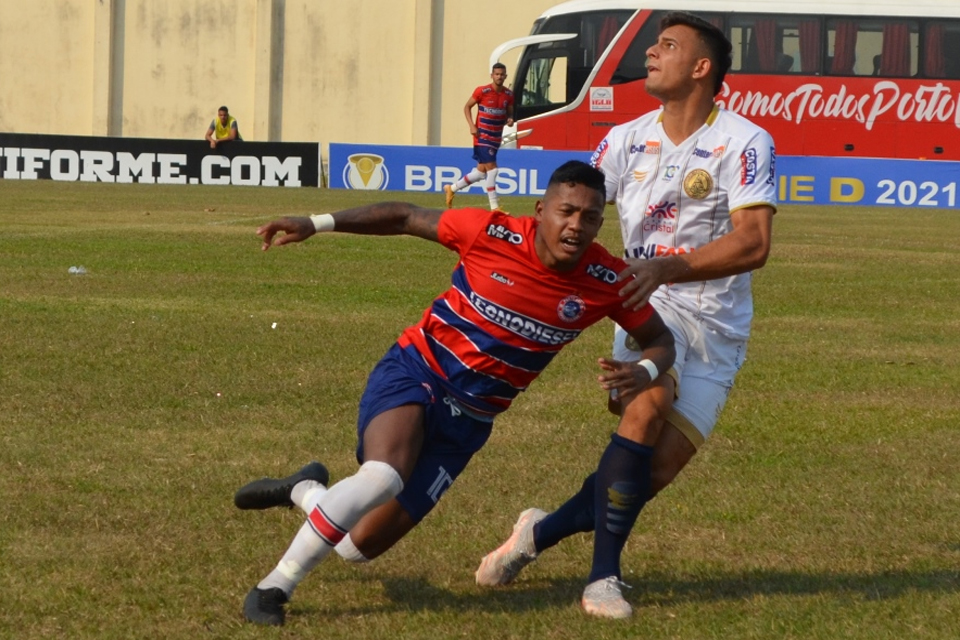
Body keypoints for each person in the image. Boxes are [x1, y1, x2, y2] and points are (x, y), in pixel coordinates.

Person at [235, 161, 676, 626]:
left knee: (353, 547)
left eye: (589, 217)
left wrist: (644, 370)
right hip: (417, 372)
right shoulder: (491, 232)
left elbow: (661, 341)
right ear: (541, 209)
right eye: (566, 211)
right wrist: (316, 223)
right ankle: (273, 588)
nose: (576, 226)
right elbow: (404, 216)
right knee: (383, 476)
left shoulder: (607, 281)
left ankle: (304, 489)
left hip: (469, 422)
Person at [475, 11, 777, 619]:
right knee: (647, 402)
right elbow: (573, 210)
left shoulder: (746, 142)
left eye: (667, 45)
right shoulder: (623, 139)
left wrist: (670, 266)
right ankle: (603, 579)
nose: (650, 54)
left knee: (647, 477)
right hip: (645, 305)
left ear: (701, 68)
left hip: (717, 324)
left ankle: (538, 531)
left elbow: (754, 244)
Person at [444, 63, 514, 211]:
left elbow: (510, 112)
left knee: (480, 173)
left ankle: (452, 188)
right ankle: (494, 207)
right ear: (492, 75)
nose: (499, 77)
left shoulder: (508, 95)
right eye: (497, 74)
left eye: (502, 74)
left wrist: (510, 119)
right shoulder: (482, 91)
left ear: (505, 76)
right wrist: (471, 125)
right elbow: (467, 107)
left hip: (496, 137)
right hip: (482, 136)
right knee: (493, 170)